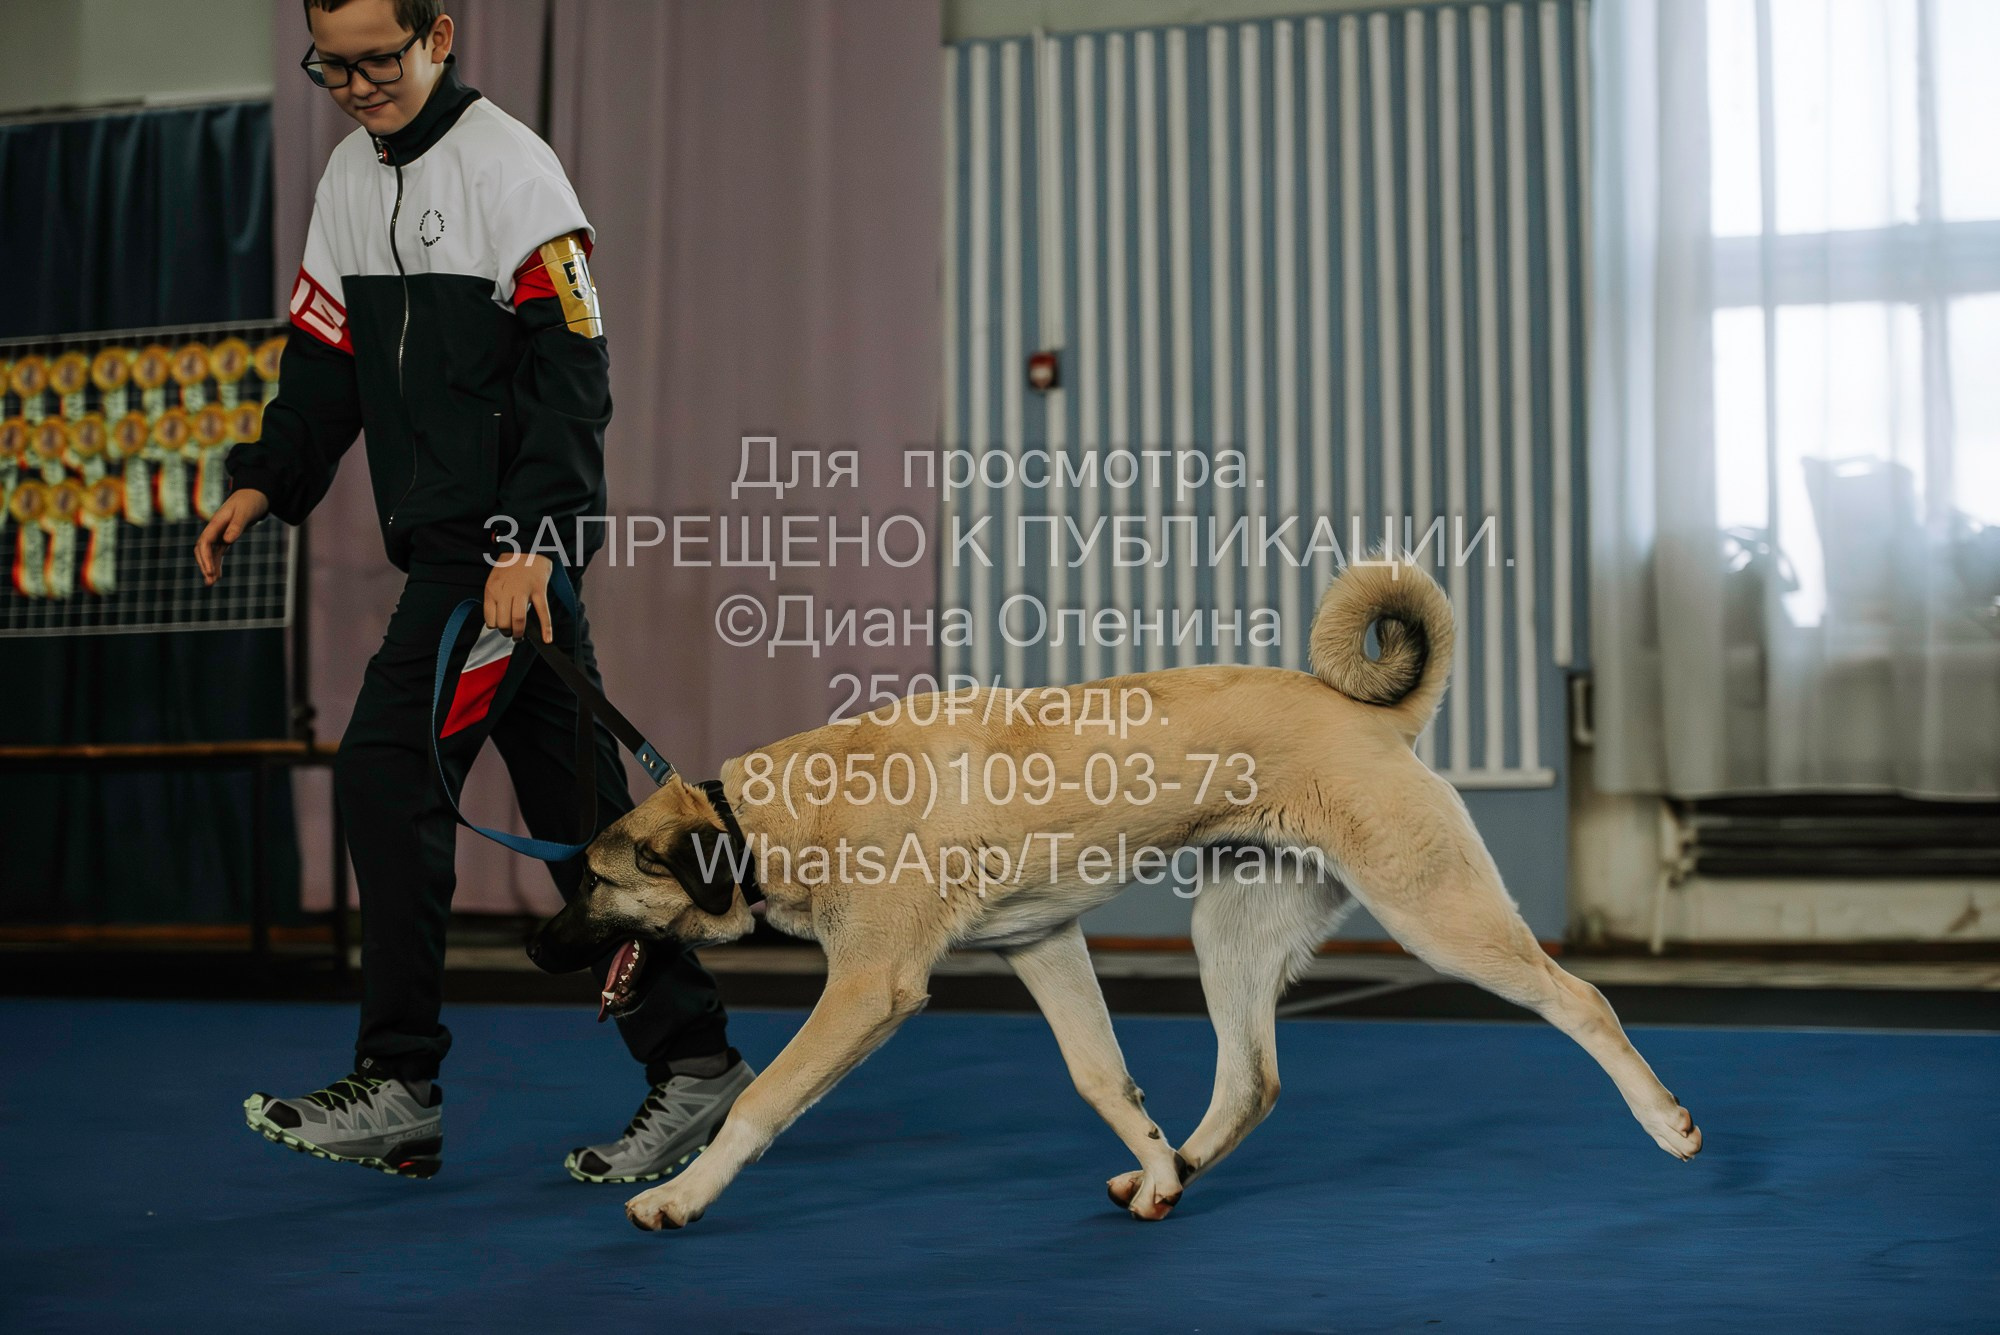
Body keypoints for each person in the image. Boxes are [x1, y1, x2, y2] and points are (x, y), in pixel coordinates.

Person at [195, 0, 752, 1183]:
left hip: (491, 561)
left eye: (377, 60)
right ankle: (697, 1063)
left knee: (389, 772)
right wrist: (266, 482)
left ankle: (398, 1080)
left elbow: (573, 376)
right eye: (329, 66)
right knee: (589, 837)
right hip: (472, 567)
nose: (354, 86)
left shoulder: (515, 171)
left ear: (438, 34)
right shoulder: (349, 178)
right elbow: (325, 364)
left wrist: (532, 541)